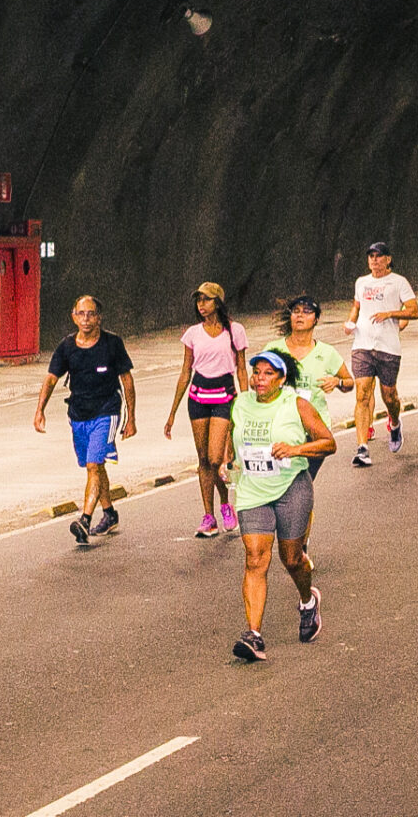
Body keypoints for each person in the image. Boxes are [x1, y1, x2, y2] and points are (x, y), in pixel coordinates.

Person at [229, 351, 336, 662]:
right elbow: (233, 441)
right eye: (256, 373)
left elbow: (328, 442)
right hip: (253, 491)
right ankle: (254, 636)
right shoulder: (242, 403)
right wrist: (229, 463)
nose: (259, 379)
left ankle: (307, 601)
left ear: (282, 378)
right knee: (255, 559)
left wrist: (295, 449)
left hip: (291, 487)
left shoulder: (296, 404)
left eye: (268, 374)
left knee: (291, 559)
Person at [34, 295, 136, 544]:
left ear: (99, 318)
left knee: (93, 464)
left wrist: (131, 418)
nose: (86, 319)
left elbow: (127, 380)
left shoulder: (112, 344)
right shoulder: (67, 347)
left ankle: (85, 519)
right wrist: (40, 410)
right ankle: (110, 513)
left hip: (107, 410)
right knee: (94, 466)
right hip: (78, 414)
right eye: (81, 314)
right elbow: (51, 379)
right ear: (73, 316)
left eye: (91, 314)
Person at [164, 282, 248, 537]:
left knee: (215, 458)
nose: (201, 305)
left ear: (218, 303)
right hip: (198, 396)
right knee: (202, 460)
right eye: (199, 300)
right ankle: (208, 516)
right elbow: (185, 371)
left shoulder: (235, 331)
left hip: (224, 395)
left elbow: (241, 369)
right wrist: (172, 412)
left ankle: (225, 503)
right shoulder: (192, 334)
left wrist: (245, 402)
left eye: (207, 299)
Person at [345, 242, 418, 467]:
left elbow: (414, 311)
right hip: (362, 345)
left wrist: (390, 314)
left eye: (379, 256)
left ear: (388, 259)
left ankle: (395, 423)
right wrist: (350, 322)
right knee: (362, 395)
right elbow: (357, 307)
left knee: (389, 396)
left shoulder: (399, 282)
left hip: (388, 347)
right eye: (371, 257)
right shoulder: (361, 282)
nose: (374, 261)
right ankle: (362, 448)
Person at [264, 295, 353, 480]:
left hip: (313, 430)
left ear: (316, 319)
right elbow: (254, 380)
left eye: (306, 312)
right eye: (295, 311)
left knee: (302, 480)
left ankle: (301, 507)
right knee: (282, 482)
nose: (300, 316)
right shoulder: (274, 349)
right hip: (280, 427)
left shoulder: (326, 352)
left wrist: (337, 382)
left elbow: (349, 382)